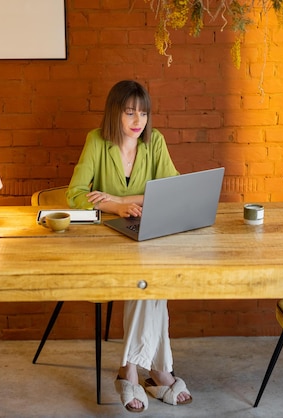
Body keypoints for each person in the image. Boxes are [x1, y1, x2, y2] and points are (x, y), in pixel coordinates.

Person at [66, 80, 192, 412]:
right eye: (130, 112)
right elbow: (75, 195)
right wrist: (113, 208)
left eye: (144, 113)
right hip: (106, 236)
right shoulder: (96, 141)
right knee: (148, 282)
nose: (138, 120)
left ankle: (131, 372)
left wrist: (123, 198)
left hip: (146, 231)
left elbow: (173, 189)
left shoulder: (155, 142)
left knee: (150, 278)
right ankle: (159, 372)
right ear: (115, 113)